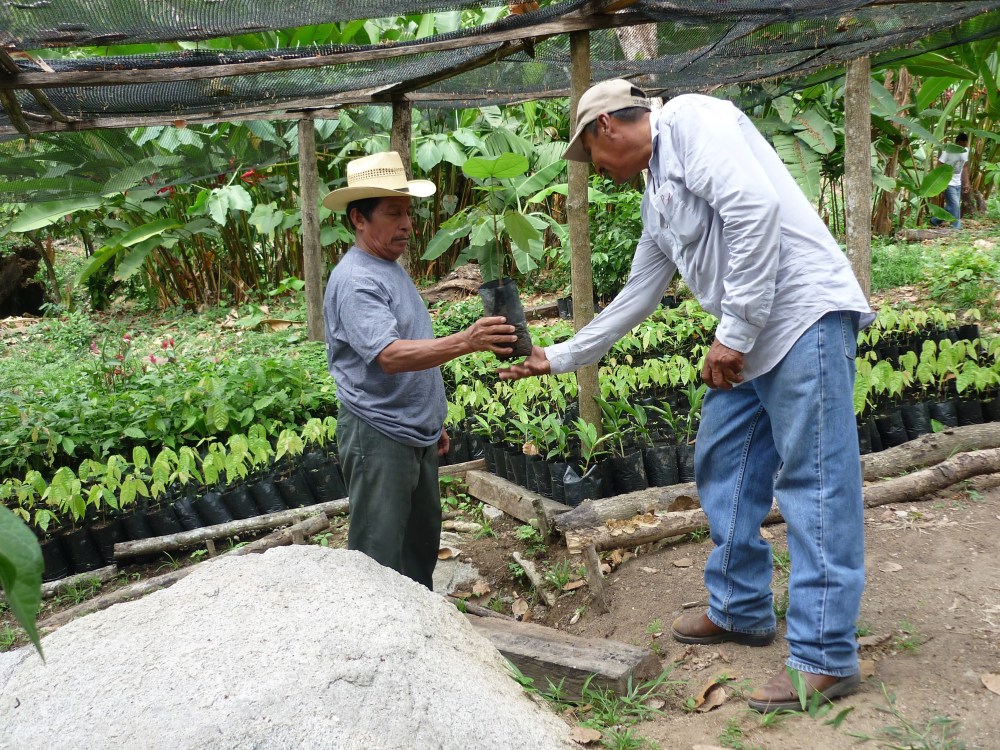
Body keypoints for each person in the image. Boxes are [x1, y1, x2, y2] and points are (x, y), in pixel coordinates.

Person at [499, 80, 875, 712]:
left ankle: (826, 658)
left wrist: (733, 332)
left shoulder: (696, 123)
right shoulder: (656, 194)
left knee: (816, 484)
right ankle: (741, 608)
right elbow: (637, 297)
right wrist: (555, 358)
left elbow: (754, 210)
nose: (597, 172)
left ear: (606, 130)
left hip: (801, 318)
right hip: (753, 338)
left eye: (592, 159)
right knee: (722, 461)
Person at [323, 151, 517, 589]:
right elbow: (389, 355)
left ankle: (421, 639)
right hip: (379, 435)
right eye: (394, 214)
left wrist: (431, 421)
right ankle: (377, 645)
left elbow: (410, 343)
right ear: (359, 218)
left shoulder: (388, 268)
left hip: (413, 433)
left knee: (419, 548)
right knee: (379, 558)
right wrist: (466, 341)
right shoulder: (356, 279)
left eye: (407, 212)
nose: (407, 224)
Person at [930, 132, 970, 229]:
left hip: (958, 183)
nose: (962, 148)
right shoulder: (948, 152)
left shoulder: (966, 150)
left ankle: (935, 220)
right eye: (961, 145)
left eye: (964, 145)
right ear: (956, 143)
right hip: (948, 183)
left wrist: (966, 182)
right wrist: (937, 182)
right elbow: (939, 165)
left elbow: (964, 167)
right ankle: (956, 229)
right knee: (955, 206)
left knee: (951, 206)